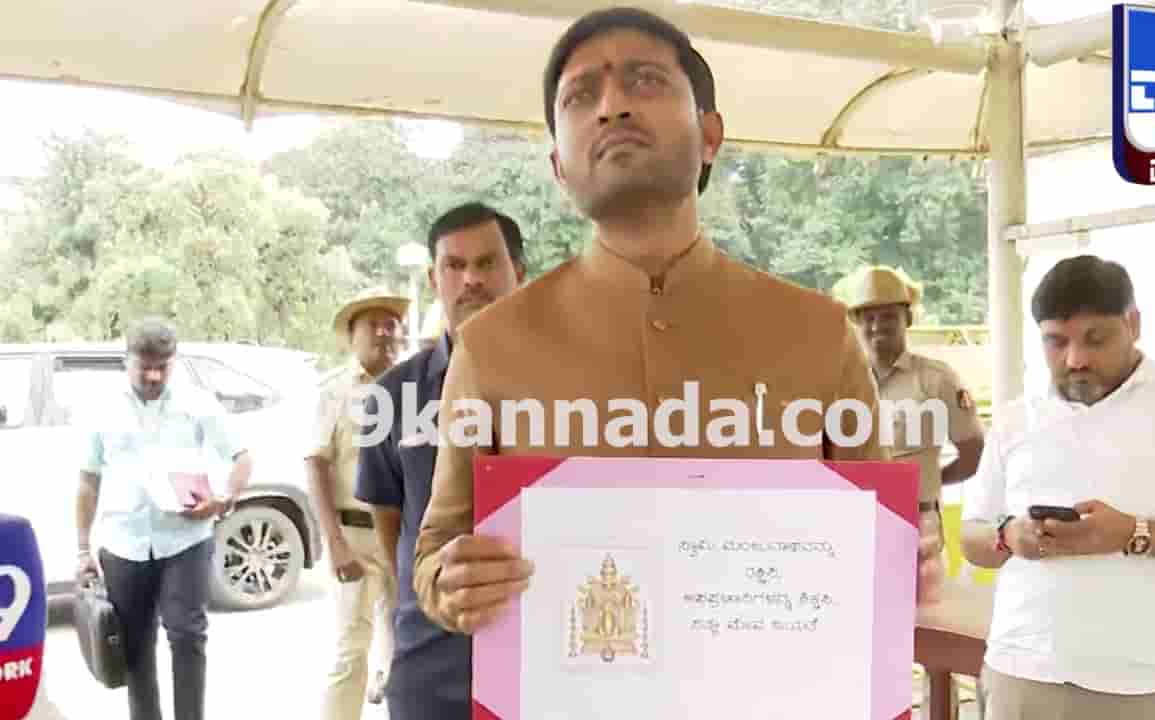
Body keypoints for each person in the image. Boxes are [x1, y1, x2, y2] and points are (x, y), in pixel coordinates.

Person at [411, 5, 943, 639]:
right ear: (558, 167)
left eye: (645, 81)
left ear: (709, 134)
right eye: (581, 95)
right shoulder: (490, 346)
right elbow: (437, 548)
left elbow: (879, 541)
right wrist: (449, 582)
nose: (612, 106)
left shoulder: (820, 334)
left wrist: (906, 562)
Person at [960, 255, 1155, 719]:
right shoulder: (1016, 418)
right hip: (1021, 674)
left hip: (1146, 685)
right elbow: (972, 538)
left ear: (1133, 324)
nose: (1076, 359)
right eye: (1056, 342)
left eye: (1095, 338)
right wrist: (1009, 536)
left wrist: (1132, 533)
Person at [354, 202, 526, 719]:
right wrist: (433, 590)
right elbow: (390, 524)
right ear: (434, 279)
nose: (471, 279)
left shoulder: (568, 387)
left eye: (487, 262)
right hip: (429, 659)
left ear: (519, 270)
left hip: (541, 650)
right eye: (455, 265)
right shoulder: (392, 395)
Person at [75, 317, 251, 720]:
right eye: (145, 367)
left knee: (187, 636)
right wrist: (82, 549)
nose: (154, 376)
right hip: (124, 544)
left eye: (163, 367)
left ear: (174, 361)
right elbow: (87, 481)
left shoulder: (198, 403)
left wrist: (223, 499)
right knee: (135, 648)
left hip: (186, 540)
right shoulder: (101, 409)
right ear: (127, 361)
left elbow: (242, 456)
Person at [306, 289, 409, 718]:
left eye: (391, 324)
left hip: (406, 536)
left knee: (408, 648)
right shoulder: (334, 393)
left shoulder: (417, 388)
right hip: (354, 537)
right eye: (373, 325)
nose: (384, 333)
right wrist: (335, 543)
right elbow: (316, 465)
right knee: (352, 649)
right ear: (352, 337)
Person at [841, 265, 985, 559]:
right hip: (854, 521)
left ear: (907, 318)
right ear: (856, 322)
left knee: (918, 590)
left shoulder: (938, 380)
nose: (877, 326)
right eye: (868, 318)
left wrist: (928, 483)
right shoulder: (840, 383)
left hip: (918, 524)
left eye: (888, 316)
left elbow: (974, 453)